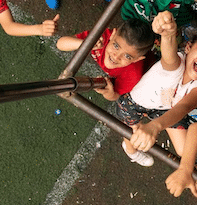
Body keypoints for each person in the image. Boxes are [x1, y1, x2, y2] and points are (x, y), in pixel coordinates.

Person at [120, 11, 197, 166]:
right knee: (133, 136)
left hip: (166, 106)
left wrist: (156, 125)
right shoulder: (176, 65)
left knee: (185, 150)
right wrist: (168, 34)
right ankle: (131, 152)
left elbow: (184, 107)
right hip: (135, 104)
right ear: (188, 47)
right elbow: (169, 54)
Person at [57, 19, 157, 166]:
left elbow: (116, 96)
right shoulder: (101, 38)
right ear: (113, 34)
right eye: (116, 46)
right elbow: (60, 43)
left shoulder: (133, 73)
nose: (116, 56)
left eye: (127, 56)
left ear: (137, 59)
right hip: (129, 76)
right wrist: (85, 44)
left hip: (146, 84)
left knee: (133, 123)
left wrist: (108, 93)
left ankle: (130, 150)